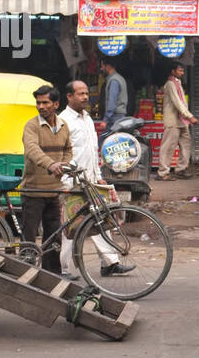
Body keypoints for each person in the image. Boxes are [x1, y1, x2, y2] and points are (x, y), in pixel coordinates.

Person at [60, 80, 132, 277]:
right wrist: (67, 180)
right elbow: (61, 154)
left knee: (101, 218)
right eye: (80, 94)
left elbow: (92, 151)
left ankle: (110, 262)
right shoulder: (63, 121)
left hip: (90, 180)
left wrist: (98, 176)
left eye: (86, 93)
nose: (85, 97)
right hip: (72, 183)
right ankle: (62, 268)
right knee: (70, 227)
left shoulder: (88, 119)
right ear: (69, 96)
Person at [21, 85, 71, 276]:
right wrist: (51, 165)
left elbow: (68, 149)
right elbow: (32, 150)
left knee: (53, 239)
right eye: (38, 102)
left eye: (45, 102)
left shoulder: (64, 126)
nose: (41, 106)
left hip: (54, 191)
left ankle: (51, 276)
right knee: (29, 239)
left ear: (56, 104)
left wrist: (64, 164)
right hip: (33, 190)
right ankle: (25, 274)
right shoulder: (32, 125)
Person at [159, 62, 197, 179]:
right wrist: (189, 116)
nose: (182, 72)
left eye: (183, 70)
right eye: (180, 70)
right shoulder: (170, 84)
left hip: (182, 121)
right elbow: (177, 102)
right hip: (173, 120)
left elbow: (181, 103)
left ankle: (181, 169)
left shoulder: (178, 83)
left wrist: (187, 116)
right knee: (168, 146)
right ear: (173, 71)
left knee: (186, 144)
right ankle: (163, 172)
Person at [100, 57, 128, 126]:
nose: (101, 69)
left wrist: (105, 120)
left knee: (105, 137)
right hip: (119, 117)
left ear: (108, 66)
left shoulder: (114, 81)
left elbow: (112, 102)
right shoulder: (119, 78)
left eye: (102, 66)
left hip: (114, 118)